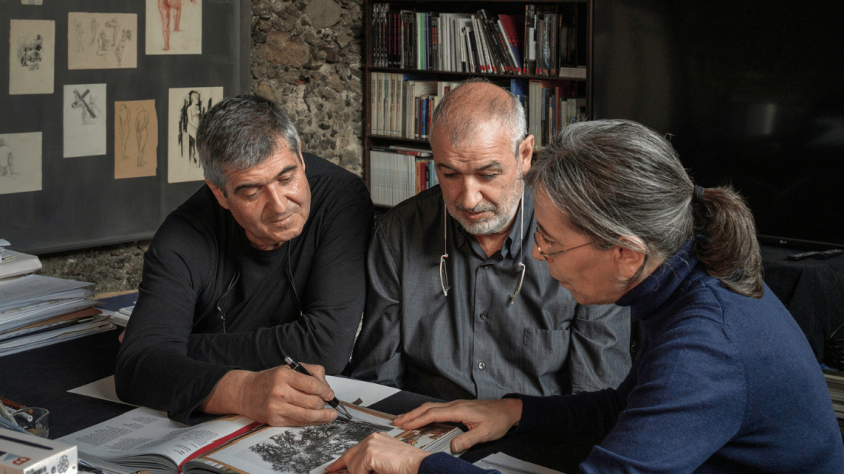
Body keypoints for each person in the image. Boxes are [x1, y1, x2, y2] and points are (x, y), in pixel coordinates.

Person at [329, 119, 844, 473]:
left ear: (626, 253)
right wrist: (515, 411)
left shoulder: (706, 348)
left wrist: (421, 465)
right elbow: (628, 406)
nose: (535, 253)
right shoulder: (693, 278)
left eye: (549, 240)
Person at [350, 80, 631, 401]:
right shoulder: (399, 232)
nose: (468, 200)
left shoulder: (585, 237)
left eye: (487, 175)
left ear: (525, 155)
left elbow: (598, 398)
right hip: (423, 433)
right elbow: (377, 380)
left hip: (541, 437)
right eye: (450, 174)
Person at [115, 95, 374, 426]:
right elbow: (136, 369)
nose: (280, 205)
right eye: (252, 193)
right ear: (220, 193)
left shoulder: (341, 198)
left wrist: (180, 348)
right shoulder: (183, 236)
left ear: (301, 156)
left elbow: (325, 346)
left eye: (286, 178)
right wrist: (244, 391)